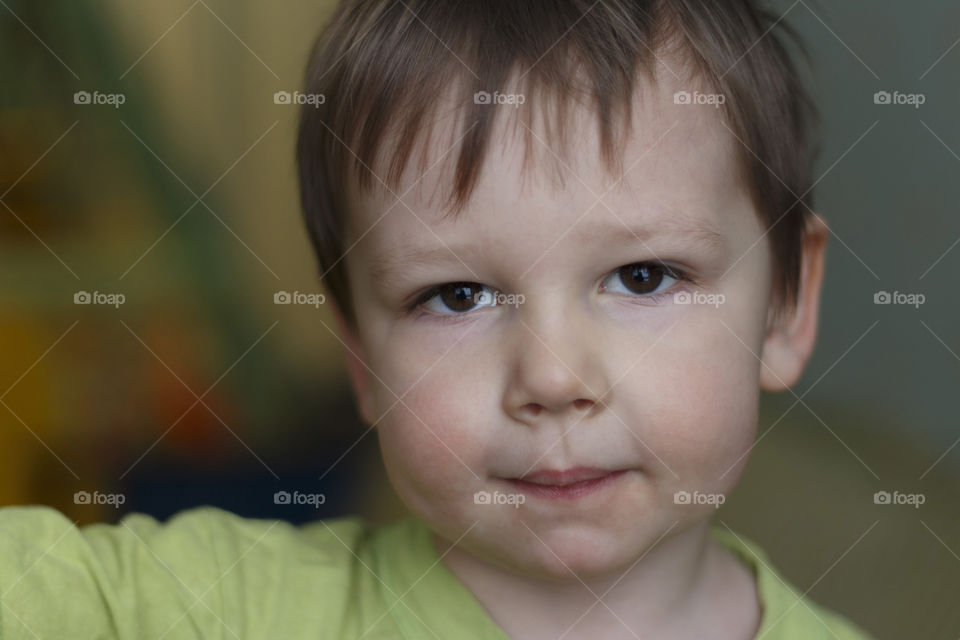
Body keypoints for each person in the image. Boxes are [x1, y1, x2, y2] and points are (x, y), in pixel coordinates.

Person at [0, 1, 875, 638]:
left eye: (642, 276)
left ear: (786, 307)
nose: (554, 378)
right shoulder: (220, 608)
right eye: (457, 296)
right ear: (360, 357)